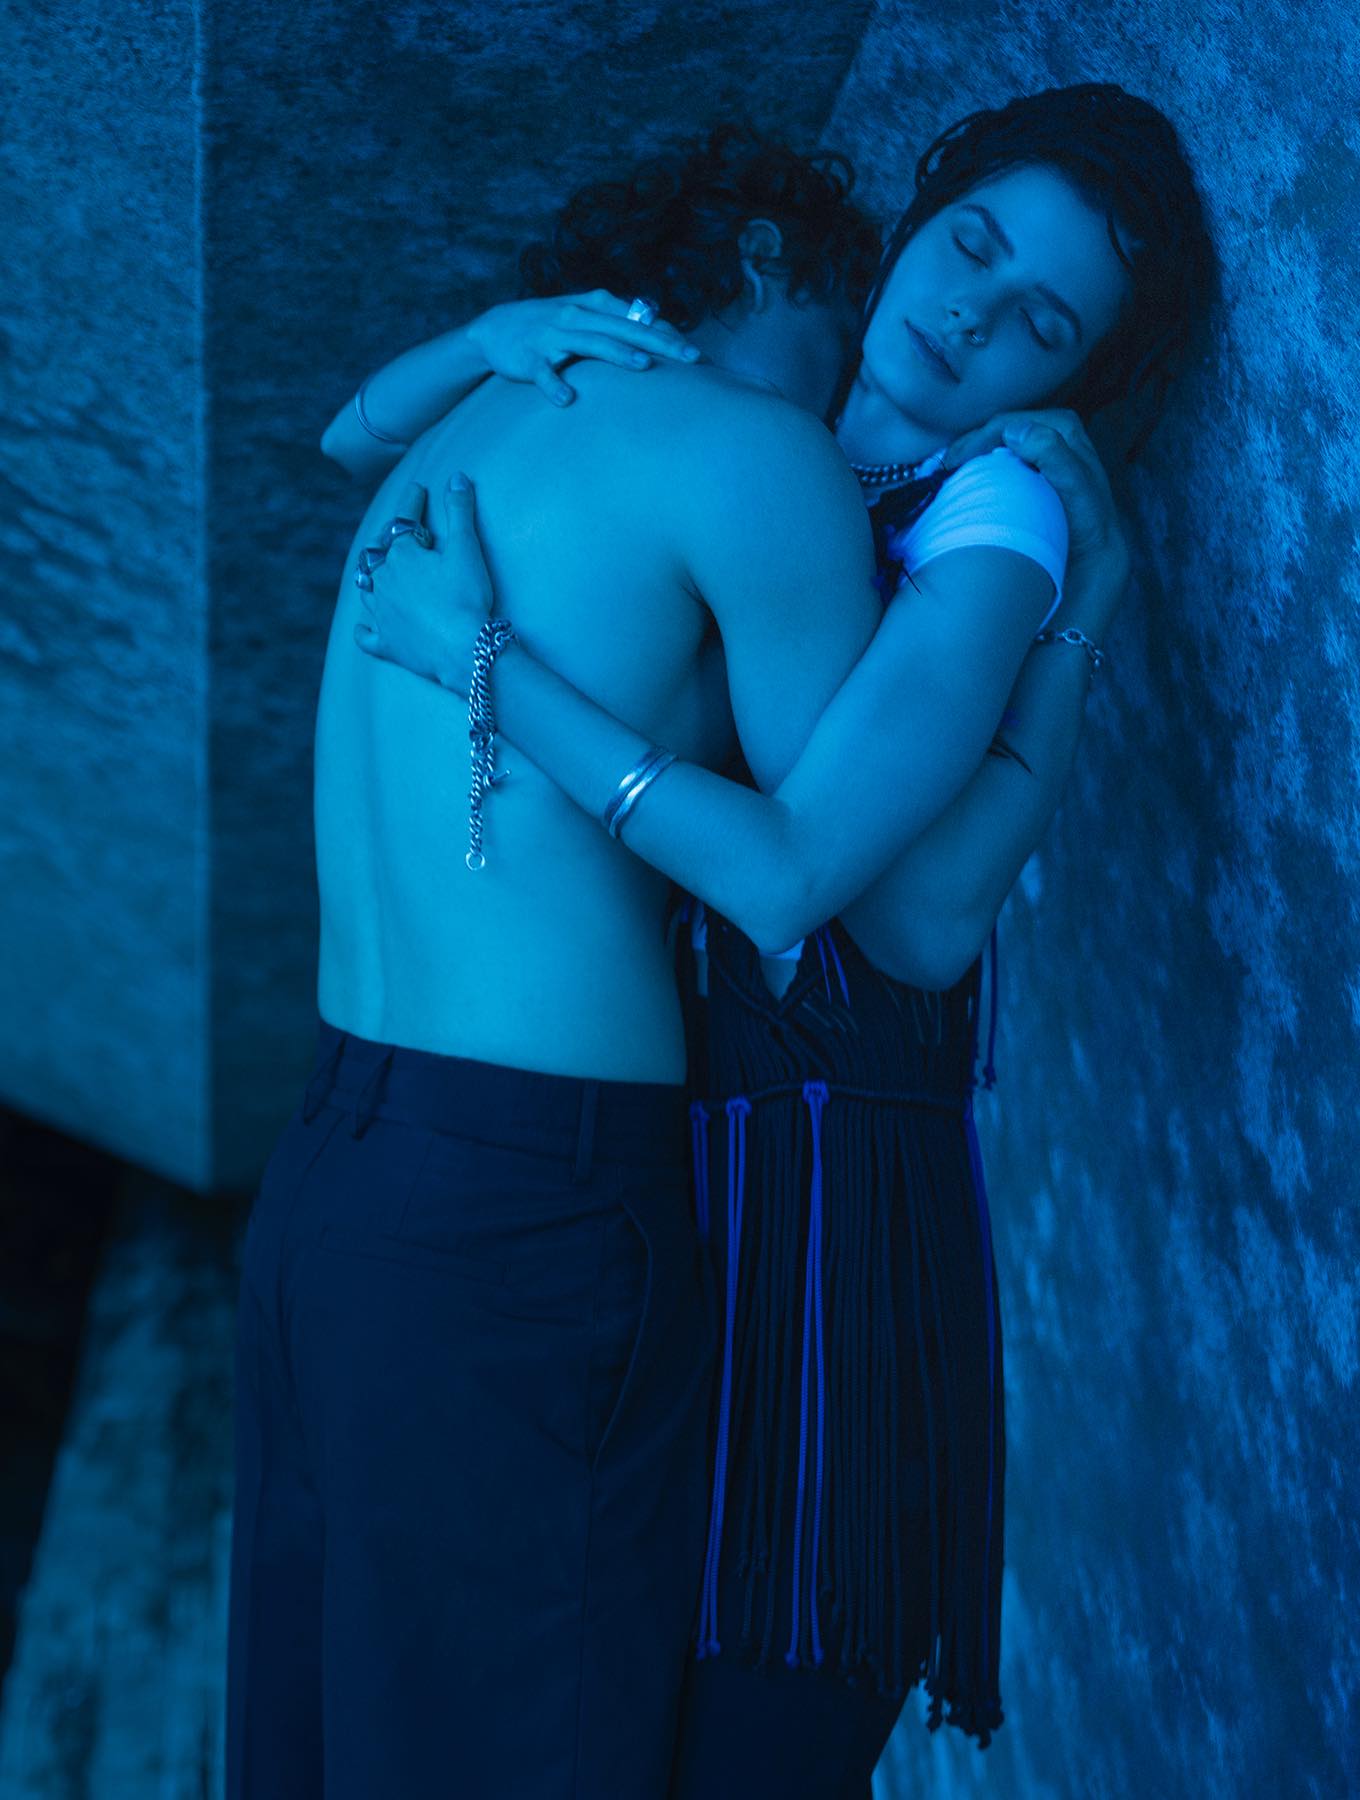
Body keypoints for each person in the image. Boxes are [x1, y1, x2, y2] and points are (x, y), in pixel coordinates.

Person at [350, 84, 1218, 1794]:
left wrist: (482, 666)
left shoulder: (996, 518)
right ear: (916, 222)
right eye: (971, 244)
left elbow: (900, 913)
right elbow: (356, 441)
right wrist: (494, 335)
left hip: (831, 1197)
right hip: (701, 1161)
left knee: (761, 1689)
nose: (972, 312)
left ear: (1069, 382)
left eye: (1043, 321)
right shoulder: (788, 426)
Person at [224, 124, 886, 1800]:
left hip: (333, 1180)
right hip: (523, 1206)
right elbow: (828, 878)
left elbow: (341, 425)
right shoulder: (755, 451)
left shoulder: (465, 423)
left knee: (335, 1736)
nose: (846, 406)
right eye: (844, 350)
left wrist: (486, 330)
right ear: (764, 262)